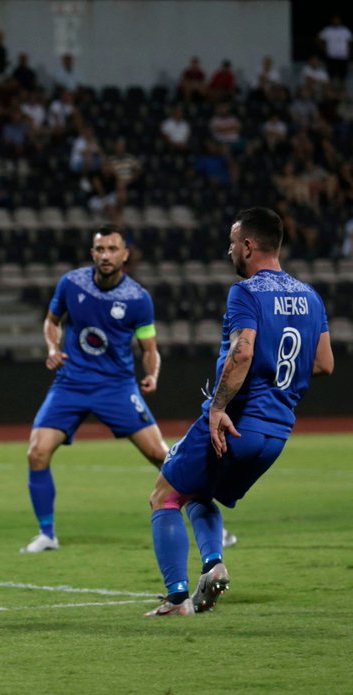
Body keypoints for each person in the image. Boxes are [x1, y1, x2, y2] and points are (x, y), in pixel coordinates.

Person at [144, 208, 333, 617]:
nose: (229, 249)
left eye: (233, 242)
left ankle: (177, 598)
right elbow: (324, 362)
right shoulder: (311, 296)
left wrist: (217, 407)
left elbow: (243, 349)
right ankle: (213, 566)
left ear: (248, 245)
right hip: (276, 435)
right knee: (198, 494)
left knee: (164, 495)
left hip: (236, 422)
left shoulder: (245, 292)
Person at [22, 226, 202, 554]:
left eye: (112, 249)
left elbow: (149, 347)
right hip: (71, 383)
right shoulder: (71, 283)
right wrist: (52, 348)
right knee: (37, 452)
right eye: (100, 249)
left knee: (161, 455)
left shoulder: (137, 299)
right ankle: (47, 534)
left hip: (116, 386)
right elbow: (51, 321)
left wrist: (153, 374)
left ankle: (208, 520)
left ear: (125, 255)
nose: (106, 255)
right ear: (93, 253)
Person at [318, 15, 351, 85]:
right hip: (331, 56)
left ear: (340, 21)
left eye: (337, 20)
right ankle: (331, 92)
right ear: (332, 21)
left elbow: (349, 42)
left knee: (342, 76)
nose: (336, 21)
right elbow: (319, 39)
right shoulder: (327, 30)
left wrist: (348, 51)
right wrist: (324, 50)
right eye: (335, 20)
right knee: (331, 75)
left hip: (343, 56)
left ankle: (342, 92)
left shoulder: (345, 30)